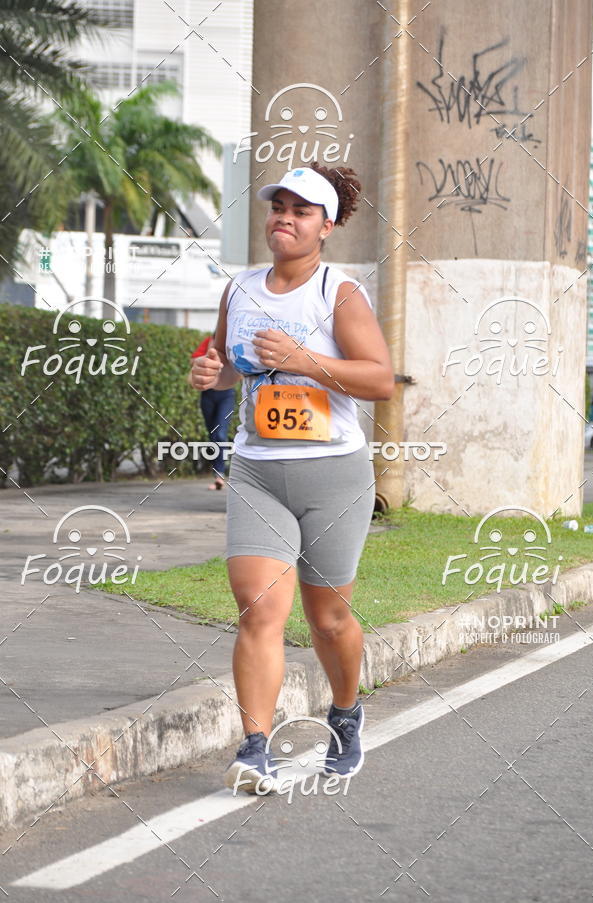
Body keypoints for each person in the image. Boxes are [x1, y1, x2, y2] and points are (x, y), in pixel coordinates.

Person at [189, 162, 394, 793]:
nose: (285, 217)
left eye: (302, 210)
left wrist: (305, 359)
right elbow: (228, 367)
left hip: (334, 472)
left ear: (326, 226)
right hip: (257, 470)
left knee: (328, 618)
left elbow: (381, 380)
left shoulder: (340, 292)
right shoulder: (241, 289)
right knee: (258, 610)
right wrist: (211, 376)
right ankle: (255, 749)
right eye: (279, 206)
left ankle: (346, 714)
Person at [190, 332, 236, 489]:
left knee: (220, 434)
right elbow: (193, 360)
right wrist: (204, 362)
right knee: (213, 435)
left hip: (226, 395)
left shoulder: (232, 344)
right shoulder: (208, 342)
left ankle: (219, 475)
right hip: (208, 394)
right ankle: (219, 470)